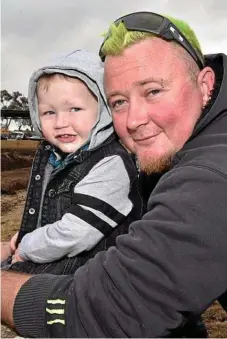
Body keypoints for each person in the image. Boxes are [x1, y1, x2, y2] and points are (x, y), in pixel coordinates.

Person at [1, 11, 227, 338]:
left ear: (204, 85)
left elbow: (108, 310)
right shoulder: (171, 148)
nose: (133, 119)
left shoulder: (212, 175)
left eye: (152, 91)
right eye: (119, 101)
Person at [1, 49, 143, 275]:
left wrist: (25, 248)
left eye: (74, 109)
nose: (60, 122)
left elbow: (76, 233)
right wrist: (13, 245)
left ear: (102, 111)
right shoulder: (51, 155)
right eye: (48, 112)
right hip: (50, 261)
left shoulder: (111, 164)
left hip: (88, 276)